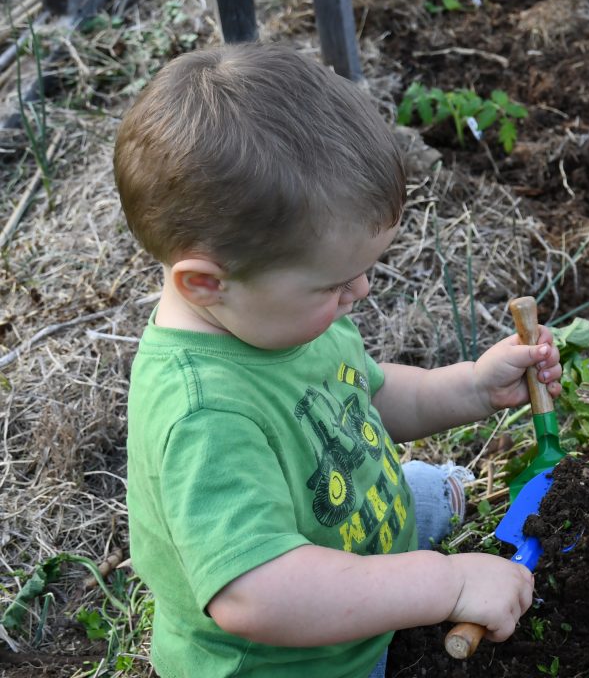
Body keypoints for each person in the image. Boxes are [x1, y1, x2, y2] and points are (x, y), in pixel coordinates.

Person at [115, 43, 563, 677]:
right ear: (206, 284)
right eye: (333, 284)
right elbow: (259, 593)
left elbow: (366, 401)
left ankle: (410, 520)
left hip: (345, 537)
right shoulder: (204, 415)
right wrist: (445, 585)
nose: (360, 293)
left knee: (414, 491)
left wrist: (471, 389)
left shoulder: (277, 321)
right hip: (300, 659)